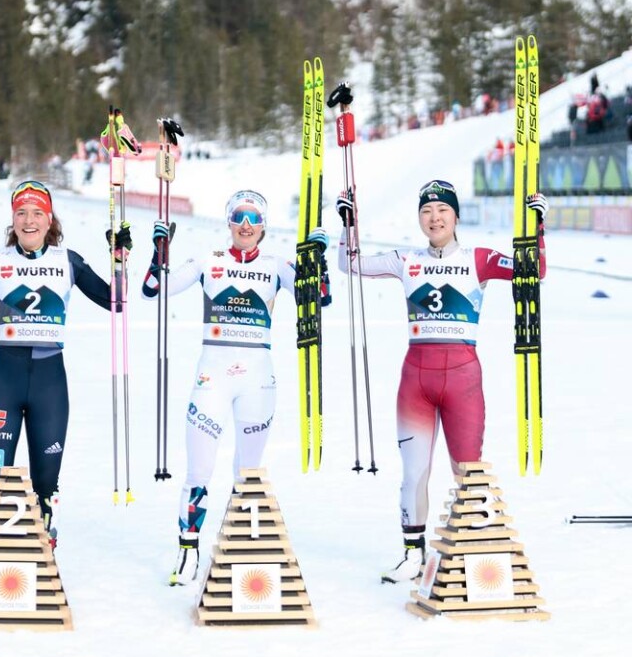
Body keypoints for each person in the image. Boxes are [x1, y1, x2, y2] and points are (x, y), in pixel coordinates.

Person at [336, 178, 548, 584]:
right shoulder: (406, 259)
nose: (434, 218)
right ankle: (412, 555)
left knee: (467, 470)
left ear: (455, 216)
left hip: (463, 379)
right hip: (416, 378)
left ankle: (475, 552)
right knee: (414, 473)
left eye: (442, 211)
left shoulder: (478, 258)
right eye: (426, 212)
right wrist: (348, 223)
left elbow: (532, 271)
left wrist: (537, 228)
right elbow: (350, 264)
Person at [0, 179, 132, 547]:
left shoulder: (67, 261)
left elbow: (115, 302)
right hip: (5, 376)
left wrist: (119, 261)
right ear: (12, 219)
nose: (29, 220)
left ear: (49, 219)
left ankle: (43, 540)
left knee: (46, 483)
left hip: (50, 383)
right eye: (21, 212)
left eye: (37, 212)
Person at [142, 189, 330, 586]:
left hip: (257, 380)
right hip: (212, 376)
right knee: (199, 470)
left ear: (263, 225)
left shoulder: (277, 266)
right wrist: (159, 253)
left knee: (248, 472)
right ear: (228, 221)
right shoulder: (208, 262)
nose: (246, 225)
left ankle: (235, 545)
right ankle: (188, 550)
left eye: (254, 218)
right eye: (239, 216)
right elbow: (154, 290)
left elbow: (318, 299)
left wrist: (317, 262)